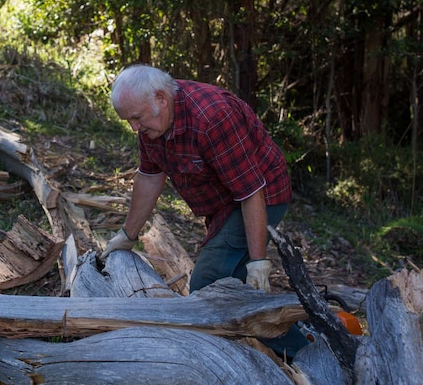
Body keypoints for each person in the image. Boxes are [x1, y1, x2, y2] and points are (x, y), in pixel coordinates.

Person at [100, 64, 308, 357]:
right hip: (225, 204)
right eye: (128, 120)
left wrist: (259, 262)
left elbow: (250, 191)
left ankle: (304, 354)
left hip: (263, 196)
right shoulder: (152, 122)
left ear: (160, 98)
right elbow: (149, 176)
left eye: (136, 118)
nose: (134, 128)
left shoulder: (212, 116)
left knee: (208, 283)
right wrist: (127, 235)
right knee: (230, 283)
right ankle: (260, 344)